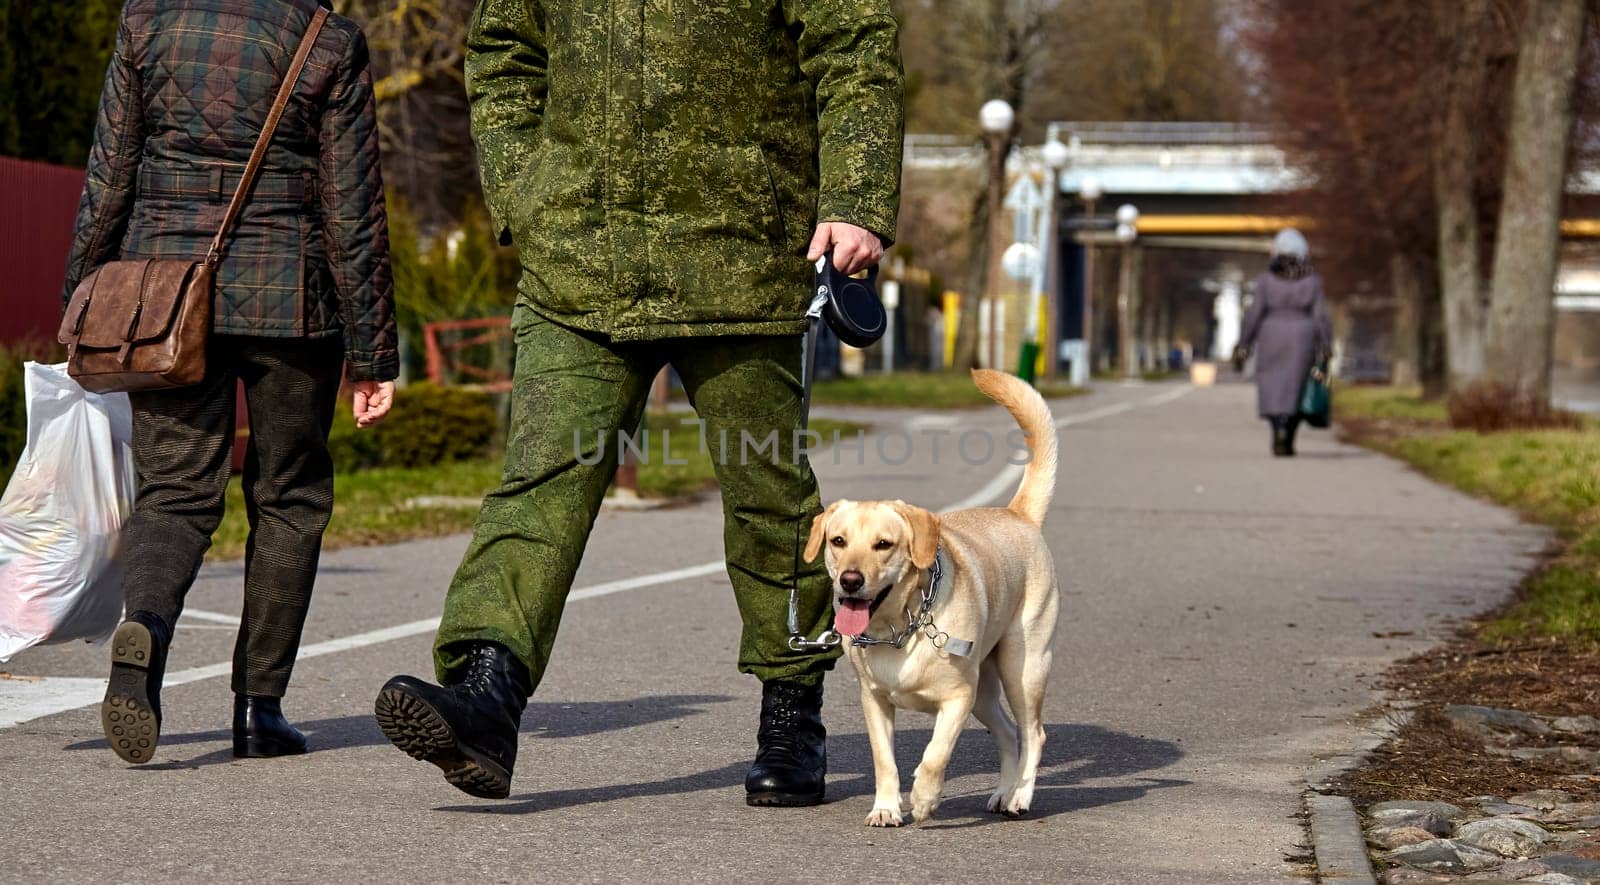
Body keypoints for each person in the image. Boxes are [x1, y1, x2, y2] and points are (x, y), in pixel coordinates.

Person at [374, 0, 903, 806]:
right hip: (578, 262)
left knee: (767, 496)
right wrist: (526, 192)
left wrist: (858, 198)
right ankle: (486, 694)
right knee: (541, 480)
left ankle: (792, 716)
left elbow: (855, 42)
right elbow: (502, 47)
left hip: (743, 254)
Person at [61, 0, 397, 764]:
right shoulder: (328, 37)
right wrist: (374, 355)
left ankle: (145, 622)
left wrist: (81, 302)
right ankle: (260, 704)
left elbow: (109, 173)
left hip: (164, 295)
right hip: (292, 305)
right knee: (289, 495)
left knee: (174, 490)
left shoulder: (148, 20)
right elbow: (354, 213)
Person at [1235, 229, 1331, 456]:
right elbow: (1320, 316)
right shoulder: (1312, 280)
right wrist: (1325, 343)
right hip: (1302, 336)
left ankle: (1277, 427)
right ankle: (1288, 435)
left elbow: (1255, 312)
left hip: (1271, 334)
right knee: (1296, 387)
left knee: (1272, 385)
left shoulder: (1266, 280)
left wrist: (1244, 342)